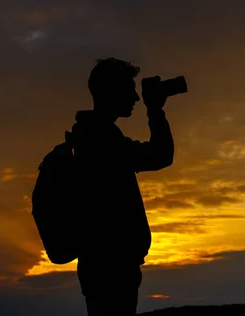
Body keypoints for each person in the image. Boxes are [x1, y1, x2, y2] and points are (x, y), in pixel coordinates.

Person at [70, 58, 174, 315]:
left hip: (104, 265)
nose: (136, 98)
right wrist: (156, 110)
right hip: (111, 266)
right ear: (110, 92)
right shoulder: (101, 140)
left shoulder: (95, 135)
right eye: (129, 89)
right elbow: (161, 155)